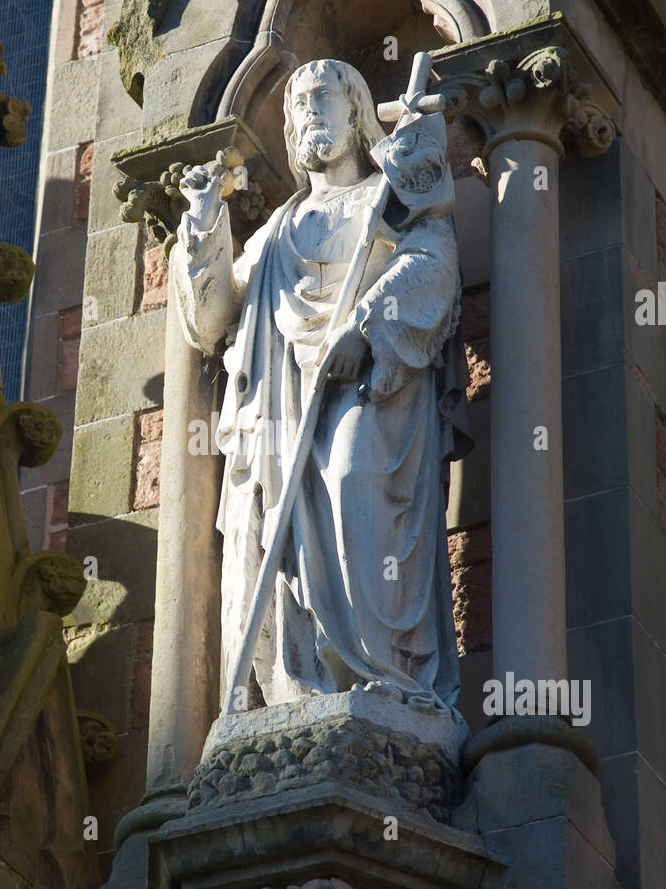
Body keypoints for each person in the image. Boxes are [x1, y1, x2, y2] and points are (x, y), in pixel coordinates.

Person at [172, 58, 470, 719]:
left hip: (375, 391)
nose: (309, 113)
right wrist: (202, 222)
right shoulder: (280, 228)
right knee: (286, 536)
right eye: (297, 105)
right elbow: (214, 318)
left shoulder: (387, 200)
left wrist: (368, 327)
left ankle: (391, 685)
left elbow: (435, 261)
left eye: (323, 99)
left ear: (359, 113)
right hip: (284, 414)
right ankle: (305, 693)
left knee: (353, 478)